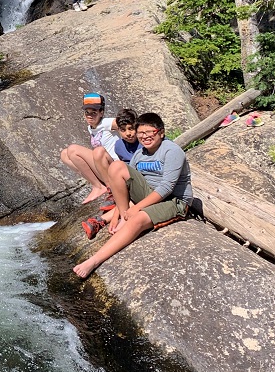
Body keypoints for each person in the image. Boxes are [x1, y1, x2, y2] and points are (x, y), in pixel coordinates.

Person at [74, 112, 192, 278]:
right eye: (141, 133)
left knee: (138, 218)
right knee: (116, 167)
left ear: (161, 132)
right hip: (149, 194)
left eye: (150, 132)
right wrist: (118, 215)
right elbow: (125, 187)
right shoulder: (139, 154)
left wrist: (136, 208)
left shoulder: (172, 151)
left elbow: (167, 187)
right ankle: (124, 217)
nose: (145, 137)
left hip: (175, 200)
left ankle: (94, 260)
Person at [81, 109, 138, 239]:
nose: (128, 133)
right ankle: (100, 220)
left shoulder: (142, 144)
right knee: (128, 200)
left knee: (134, 202)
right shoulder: (119, 146)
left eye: (131, 129)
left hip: (142, 184)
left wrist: (118, 213)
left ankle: (101, 221)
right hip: (129, 183)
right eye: (123, 130)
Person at [60, 92, 119, 204]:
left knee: (73, 149)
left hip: (114, 167)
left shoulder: (107, 122)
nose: (90, 116)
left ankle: (100, 187)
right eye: (87, 112)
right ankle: (98, 184)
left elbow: (127, 123)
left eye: (94, 112)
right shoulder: (91, 128)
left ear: (101, 113)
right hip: (103, 168)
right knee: (64, 154)